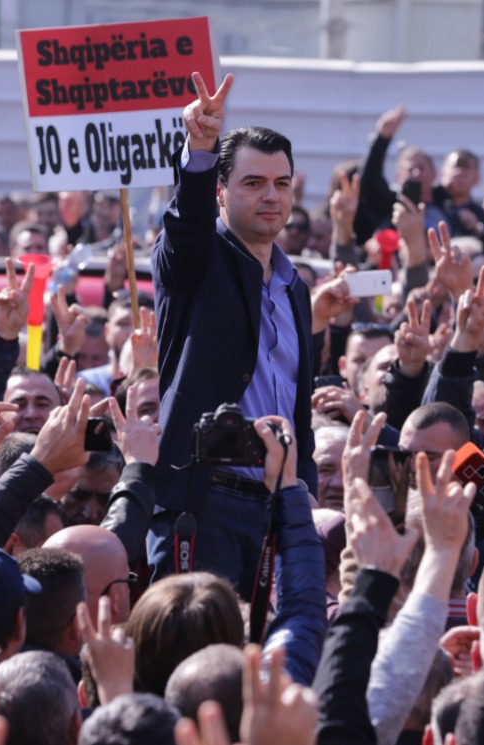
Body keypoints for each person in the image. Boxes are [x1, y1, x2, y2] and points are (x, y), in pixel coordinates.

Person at [148, 72, 325, 596]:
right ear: (220, 192)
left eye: (281, 184)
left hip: (280, 503)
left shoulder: (295, 287)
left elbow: (297, 404)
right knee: (202, 641)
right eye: (253, 183)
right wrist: (200, 151)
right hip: (205, 501)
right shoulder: (196, 260)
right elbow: (187, 224)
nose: (271, 196)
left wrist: (304, 488)